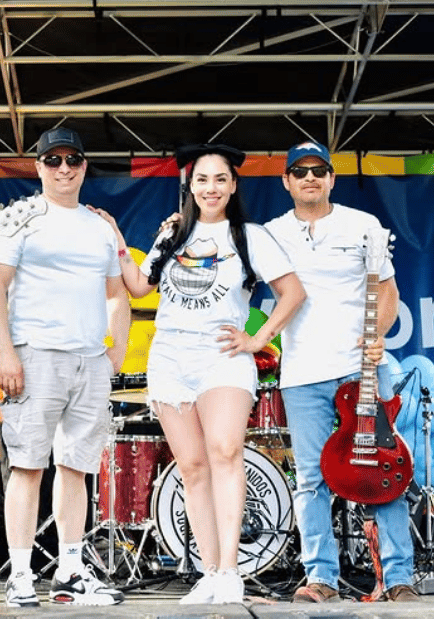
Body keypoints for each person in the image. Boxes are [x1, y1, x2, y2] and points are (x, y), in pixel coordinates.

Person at [90, 144, 306, 604]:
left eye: (220, 179)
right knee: (190, 466)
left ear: (233, 185)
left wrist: (258, 339)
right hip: (170, 359)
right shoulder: (173, 234)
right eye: (202, 179)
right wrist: (116, 238)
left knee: (225, 451)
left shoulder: (250, 236)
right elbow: (139, 286)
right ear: (190, 186)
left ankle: (230, 571)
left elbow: (292, 293)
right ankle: (209, 572)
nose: (211, 188)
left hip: (221, 357)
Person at [0, 126, 131, 608]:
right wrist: (7, 352)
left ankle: (70, 571)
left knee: (76, 468)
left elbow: (117, 294)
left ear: (84, 166)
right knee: (27, 466)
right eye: (53, 160)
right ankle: (20, 575)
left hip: (89, 361)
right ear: (38, 166)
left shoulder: (100, 226)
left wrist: (116, 351)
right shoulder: (17, 217)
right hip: (36, 356)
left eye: (72, 160)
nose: (63, 168)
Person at [266, 140, 418, 603]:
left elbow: (387, 291)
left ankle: (398, 578)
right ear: (286, 181)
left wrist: (379, 334)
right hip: (302, 373)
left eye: (319, 170)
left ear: (332, 178)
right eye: (300, 171)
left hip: (362, 370)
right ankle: (321, 579)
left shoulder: (362, 225)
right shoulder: (271, 233)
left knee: (385, 471)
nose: (310, 177)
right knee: (310, 479)